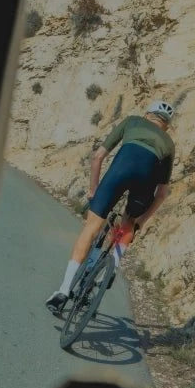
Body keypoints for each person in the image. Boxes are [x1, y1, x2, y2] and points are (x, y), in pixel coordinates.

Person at [45, 100, 176, 313]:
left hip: (120, 171)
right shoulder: (169, 144)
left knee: (91, 228)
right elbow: (161, 194)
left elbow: (98, 157)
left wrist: (93, 189)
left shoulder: (132, 121)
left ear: (146, 115)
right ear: (166, 126)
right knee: (128, 224)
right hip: (146, 180)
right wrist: (140, 223)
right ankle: (113, 265)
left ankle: (64, 290)